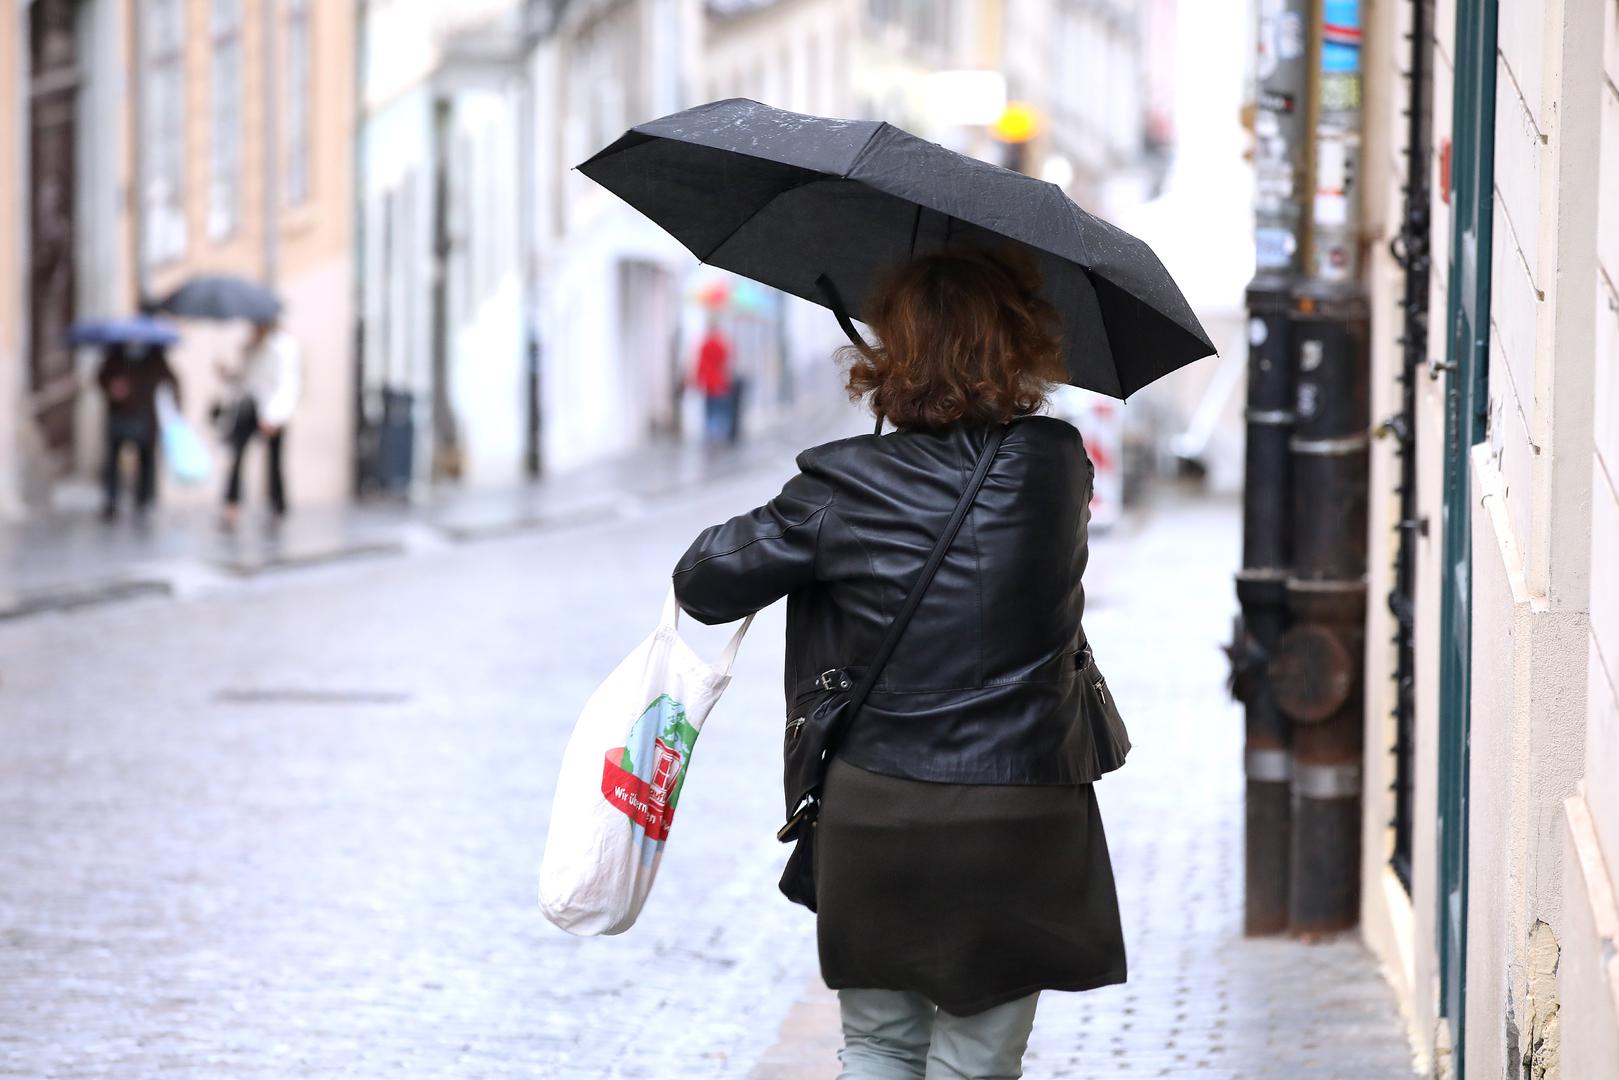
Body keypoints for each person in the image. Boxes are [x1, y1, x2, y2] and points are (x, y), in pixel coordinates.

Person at [670, 249, 1126, 1079]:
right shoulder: (1056, 466)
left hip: (881, 808)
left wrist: (847, 489)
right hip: (1023, 804)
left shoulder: (841, 485)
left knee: (879, 1047)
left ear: (889, 353)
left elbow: (702, 582)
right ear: (1019, 345)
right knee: (975, 1063)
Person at [220, 315, 300, 528]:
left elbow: (286, 384)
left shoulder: (282, 347)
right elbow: (246, 379)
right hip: (249, 407)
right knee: (236, 455)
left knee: (274, 461)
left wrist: (273, 416)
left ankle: (278, 506)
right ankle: (232, 503)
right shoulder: (251, 347)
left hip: (272, 411)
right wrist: (227, 374)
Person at [97, 343, 180, 521]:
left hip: (145, 415)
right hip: (119, 415)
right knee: (112, 460)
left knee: (146, 460)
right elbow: (100, 378)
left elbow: (172, 381)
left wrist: (176, 408)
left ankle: (143, 500)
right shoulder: (115, 356)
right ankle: (112, 500)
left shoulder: (155, 356)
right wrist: (112, 388)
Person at [693, 318, 736, 443]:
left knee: (711, 409)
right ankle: (719, 434)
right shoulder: (722, 344)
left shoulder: (705, 345)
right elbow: (728, 361)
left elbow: (701, 364)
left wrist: (698, 379)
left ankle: (711, 434)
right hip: (721, 382)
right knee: (721, 409)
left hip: (709, 383)